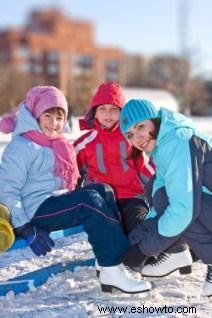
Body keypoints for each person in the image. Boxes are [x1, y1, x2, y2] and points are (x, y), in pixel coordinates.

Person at [0, 86, 151, 294]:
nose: (54, 124)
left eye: (59, 117)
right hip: (31, 210)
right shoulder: (22, 146)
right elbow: (7, 191)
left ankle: (105, 261)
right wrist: (25, 227)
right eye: (48, 116)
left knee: (103, 190)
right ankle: (113, 267)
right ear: (35, 115)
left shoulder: (55, 143)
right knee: (87, 202)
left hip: (50, 201)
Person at [119, 98, 212, 296]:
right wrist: (131, 243)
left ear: (155, 119)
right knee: (157, 190)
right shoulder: (162, 147)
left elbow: (183, 210)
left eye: (140, 126)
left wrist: (144, 249)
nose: (138, 138)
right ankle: (176, 253)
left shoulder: (178, 139)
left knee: (181, 206)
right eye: (130, 135)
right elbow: (158, 204)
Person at [74, 82, 154, 235]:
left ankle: (146, 255)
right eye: (102, 109)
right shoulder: (85, 143)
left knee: (140, 228)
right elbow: (73, 173)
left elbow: (146, 169)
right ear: (94, 113)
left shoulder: (132, 139)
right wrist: (75, 198)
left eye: (113, 109)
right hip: (101, 201)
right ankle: (111, 256)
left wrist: (157, 192)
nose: (108, 114)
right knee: (108, 232)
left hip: (132, 197)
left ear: (122, 112)